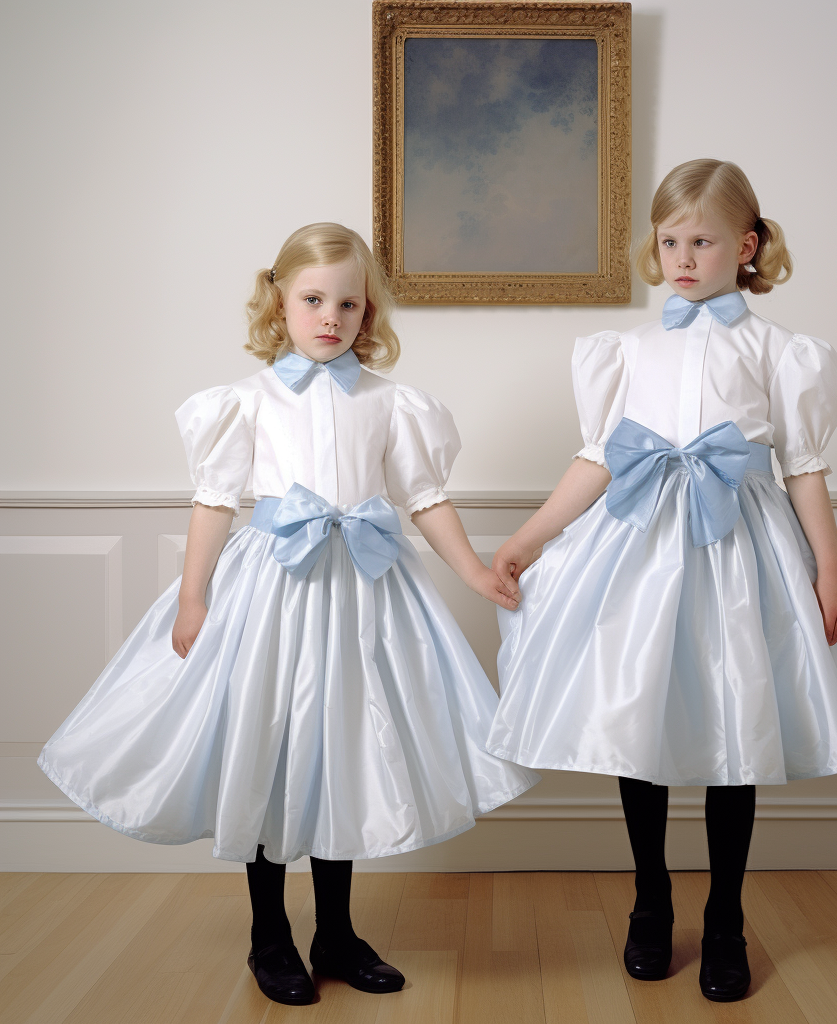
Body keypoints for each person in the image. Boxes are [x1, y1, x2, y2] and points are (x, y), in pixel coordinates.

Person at [38, 222, 539, 1006]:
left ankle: (335, 934)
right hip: (270, 593)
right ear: (279, 299)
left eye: (348, 302)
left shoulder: (391, 403)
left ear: (368, 311)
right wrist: (193, 596)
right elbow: (214, 503)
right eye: (312, 299)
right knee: (267, 750)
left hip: (362, 595)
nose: (330, 316)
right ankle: (268, 935)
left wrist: (474, 569)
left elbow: (424, 499)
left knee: (342, 751)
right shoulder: (244, 402)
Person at [487, 160, 837, 1001]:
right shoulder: (628, 351)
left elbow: (802, 466)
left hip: (737, 553)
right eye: (670, 241)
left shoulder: (780, 351)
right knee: (635, 719)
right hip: (640, 551)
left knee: (736, 729)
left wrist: (831, 568)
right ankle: (651, 900)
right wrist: (529, 539)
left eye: (703, 241)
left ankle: (726, 914)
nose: (683, 257)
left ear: (746, 245)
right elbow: (596, 461)